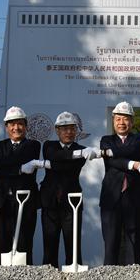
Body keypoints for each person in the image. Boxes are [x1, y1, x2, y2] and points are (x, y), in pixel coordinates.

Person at [40, 111, 100, 268]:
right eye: (64, 128)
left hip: (72, 202)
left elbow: (66, 165)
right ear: (57, 130)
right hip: (49, 202)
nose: (69, 132)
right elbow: (54, 155)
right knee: (49, 244)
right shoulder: (48, 145)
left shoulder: (82, 148)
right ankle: (47, 278)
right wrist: (78, 154)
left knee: (72, 244)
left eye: (72, 128)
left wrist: (49, 164)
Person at [0, 106, 41, 263]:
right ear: (6, 127)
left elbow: (19, 159)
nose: (16, 128)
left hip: (26, 201)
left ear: (26, 126)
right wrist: (20, 168)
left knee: (24, 243)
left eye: (20, 124)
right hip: (2, 202)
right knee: (2, 244)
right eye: (12, 124)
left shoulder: (33, 145)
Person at [100, 102, 140, 265]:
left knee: (135, 240)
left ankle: (135, 277)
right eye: (118, 119)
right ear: (113, 121)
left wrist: (111, 153)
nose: (121, 123)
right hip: (111, 197)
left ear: (131, 122)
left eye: (125, 119)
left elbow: (130, 152)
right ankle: (109, 276)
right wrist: (133, 164)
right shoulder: (105, 140)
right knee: (110, 242)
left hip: (135, 195)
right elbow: (112, 163)